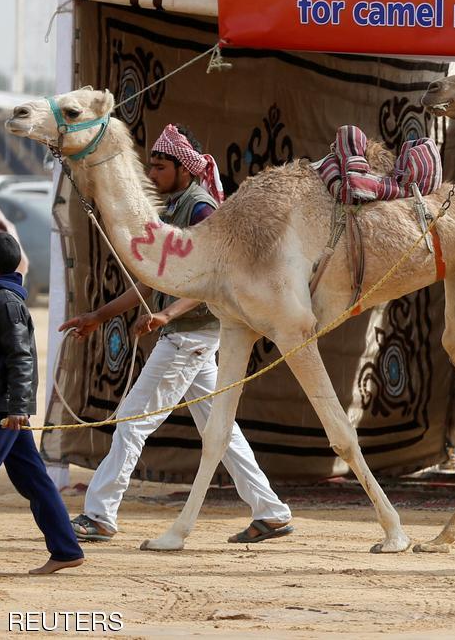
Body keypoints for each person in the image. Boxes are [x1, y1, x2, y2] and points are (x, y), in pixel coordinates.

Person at [59, 124, 293, 545]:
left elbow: (214, 276)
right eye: (150, 165)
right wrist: (98, 315)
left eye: (160, 166)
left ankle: (99, 515)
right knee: (222, 431)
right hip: (193, 338)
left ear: (184, 169)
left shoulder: (200, 210)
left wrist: (167, 314)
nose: (152, 173)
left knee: (132, 423)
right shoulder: (173, 209)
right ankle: (271, 512)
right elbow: (152, 279)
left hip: (189, 337)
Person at [0, 231, 84, 574]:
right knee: (34, 481)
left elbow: (21, 358)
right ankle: (65, 549)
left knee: (34, 481)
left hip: (5, 411)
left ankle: (65, 548)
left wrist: (18, 408)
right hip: (9, 410)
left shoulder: (6, 302)